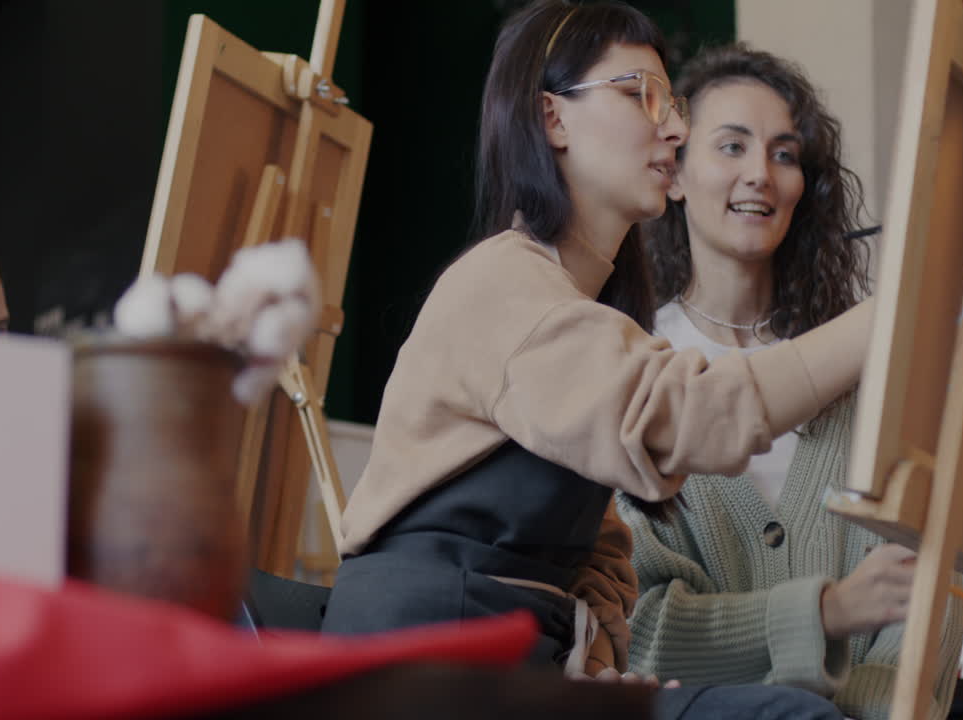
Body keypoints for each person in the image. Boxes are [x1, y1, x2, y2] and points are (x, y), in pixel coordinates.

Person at [321, 2, 869, 716]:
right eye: (641, 94)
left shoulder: (593, 313)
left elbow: (602, 566)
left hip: (518, 673)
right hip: (423, 677)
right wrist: (886, 321)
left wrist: (596, 666)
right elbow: (693, 415)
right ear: (552, 118)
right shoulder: (503, 283)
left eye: (672, 104)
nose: (674, 129)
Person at [619, 43, 963, 720]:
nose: (761, 175)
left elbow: (925, 595)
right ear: (676, 174)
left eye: (784, 154)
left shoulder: (866, 372)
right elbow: (643, 633)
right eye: (732, 146)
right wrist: (823, 616)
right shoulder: (635, 368)